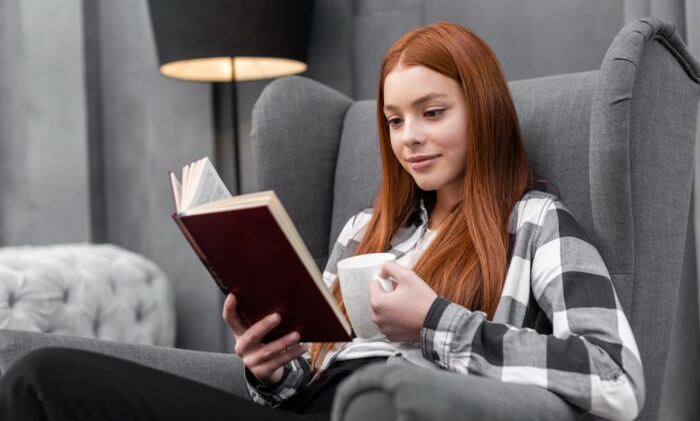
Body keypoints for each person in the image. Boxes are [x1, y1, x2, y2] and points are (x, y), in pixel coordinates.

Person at [0, 21, 644, 421]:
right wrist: (270, 366)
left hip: (394, 406)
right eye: (394, 120)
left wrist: (436, 321)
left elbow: (615, 379)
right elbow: (308, 372)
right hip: (313, 405)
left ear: (482, 112)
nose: (409, 139)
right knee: (40, 376)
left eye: (432, 112)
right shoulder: (368, 228)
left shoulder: (535, 224)